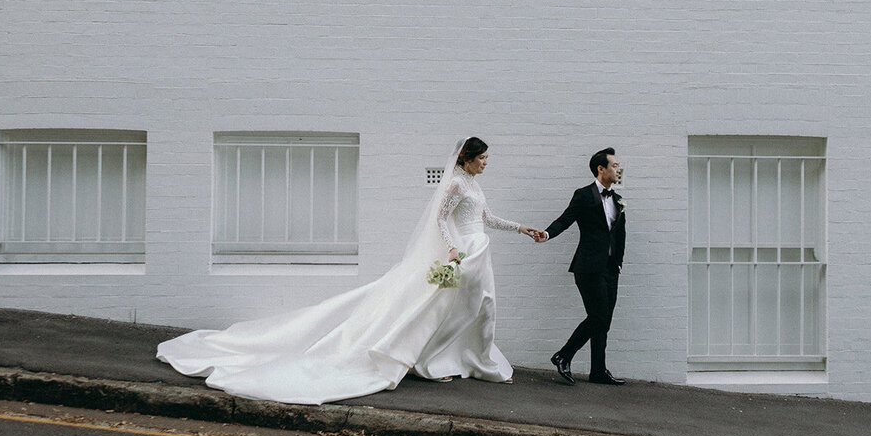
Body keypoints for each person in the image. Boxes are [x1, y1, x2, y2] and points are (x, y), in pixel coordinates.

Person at [156, 137, 543, 405]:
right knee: (454, 307)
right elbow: (441, 222)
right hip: (464, 254)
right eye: (483, 157)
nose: (487, 162)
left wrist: (522, 228)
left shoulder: (473, 184)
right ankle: (436, 361)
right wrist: (453, 249)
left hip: (478, 251)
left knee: (475, 307)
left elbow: (486, 217)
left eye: (487, 158)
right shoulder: (456, 185)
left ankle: (464, 359)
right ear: (466, 159)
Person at [534, 147, 626, 386]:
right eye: (614, 165)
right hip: (588, 267)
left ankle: (598, 371)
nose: (619, 169)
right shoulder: (584, 195)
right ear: (601, 169)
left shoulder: (617, 199)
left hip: (609, 269)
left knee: (604, 321)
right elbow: (566, 219)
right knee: (597, 316)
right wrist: (547, 233)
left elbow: (620, 235)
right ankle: (563, 355)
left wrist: (618, 265)